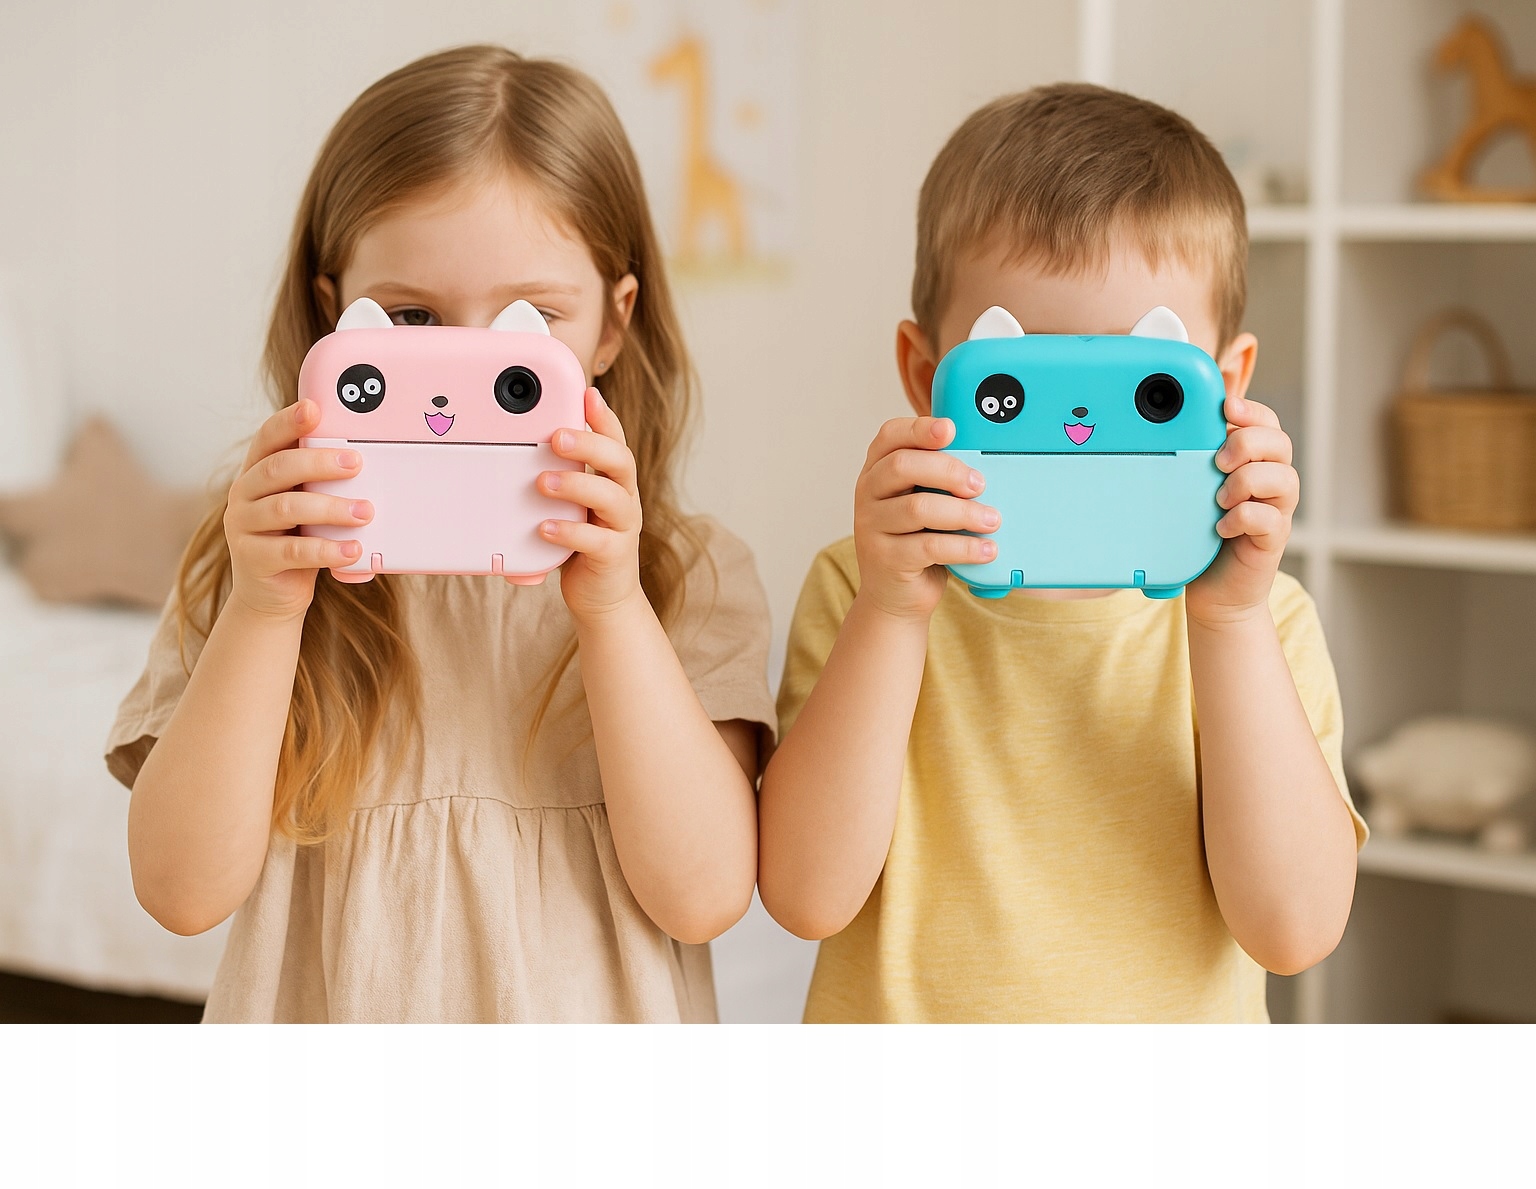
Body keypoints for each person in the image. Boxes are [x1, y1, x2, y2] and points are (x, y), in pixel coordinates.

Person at [107, 46, 775, 1023]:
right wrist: (262, 612)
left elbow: (706, 894)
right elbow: (180, 890)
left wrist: (614, 609)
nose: (458, 377)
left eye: (528, 321)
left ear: (611, 325)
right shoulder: (252, 565)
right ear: (334, 317)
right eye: (412, 317)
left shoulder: (685, 577)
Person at [758, 84, 1366, 1022]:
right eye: (1020, 384)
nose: (1079, 431)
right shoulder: (860, 588)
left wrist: (1230, 620)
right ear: (926, 374)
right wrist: (891, 612)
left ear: (1228, 384)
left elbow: (1294, 929)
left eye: (1143, 386)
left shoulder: (1266, 618)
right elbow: (806, 897)